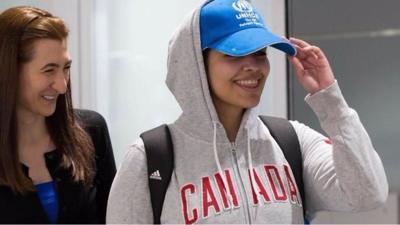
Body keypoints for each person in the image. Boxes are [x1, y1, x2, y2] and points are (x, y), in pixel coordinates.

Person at [106, 0, 388, 224]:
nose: (253, 66)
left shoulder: (291, 142)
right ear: (195, 64)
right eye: (234, 54)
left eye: (260, 53)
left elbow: (368, 194)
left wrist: (329, 99)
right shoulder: (150, 159)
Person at [0, 6, 116, 224]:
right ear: (9, 71)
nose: (63, 86)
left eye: (66, 68)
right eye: (49, 70)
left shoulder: (92, 131)